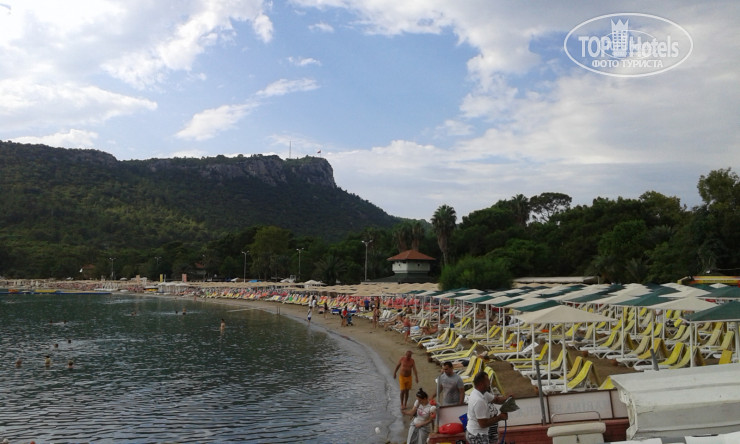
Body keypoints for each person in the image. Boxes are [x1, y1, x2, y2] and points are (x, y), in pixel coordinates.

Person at [466, 372, 508, 444]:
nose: (489, 384)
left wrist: (508, 398)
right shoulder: (478, 400)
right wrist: (500, 417)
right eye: (488, 382)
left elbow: (496, 400)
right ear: (481, 384)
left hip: (477, 433)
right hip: (477, 435)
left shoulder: (481, 393)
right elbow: (483, 424)